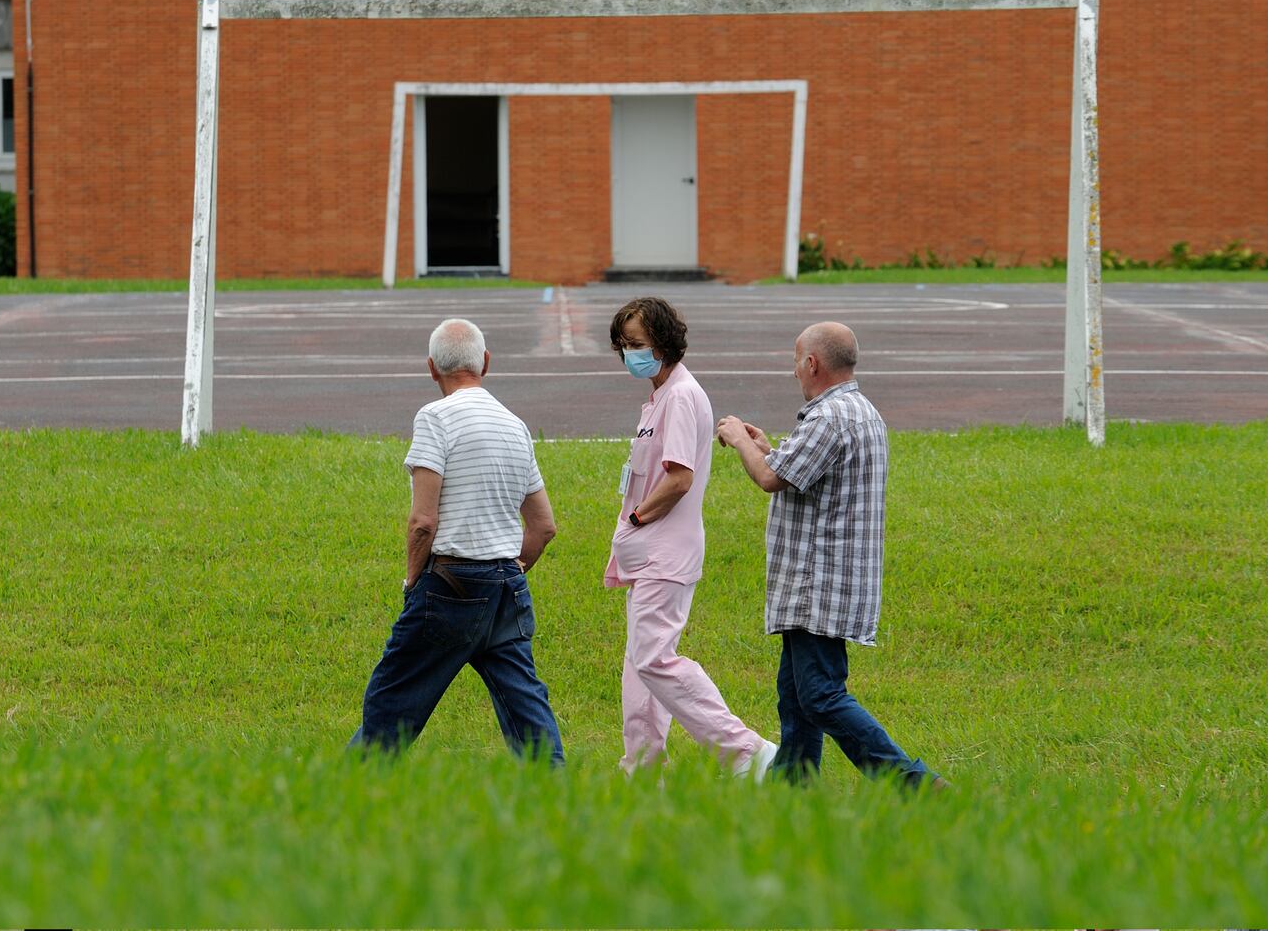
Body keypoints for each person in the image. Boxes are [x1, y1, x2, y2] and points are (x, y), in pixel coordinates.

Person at [716, 321, 947, 789]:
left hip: (816, 583)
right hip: (839, 580)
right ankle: (793, 789)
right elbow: (801, 472)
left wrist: (740, 440)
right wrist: (767, 448)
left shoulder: (827, 418)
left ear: (812, 363)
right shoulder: (861, 412)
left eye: (796, 361)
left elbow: (770, 480)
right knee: (795, 695)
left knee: (820, 695)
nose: (794, 371)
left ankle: (912, 782)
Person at [352, 318, 564, 764]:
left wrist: (413, 582)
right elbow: (544, 526)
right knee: (527, 709)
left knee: (391, 701)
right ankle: (556, 796)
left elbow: (423, 522)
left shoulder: (435, 417)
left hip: (449, 586)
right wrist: (511, 570)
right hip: (508, 587)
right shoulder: (515, 425)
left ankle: (345, 793)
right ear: (486, 362)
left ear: (432, 369)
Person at [606, 296, 777, 780]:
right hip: (648, 555)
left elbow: (678, 478)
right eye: (624, 346)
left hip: (664, 552)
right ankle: (642, 771)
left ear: (663, 342)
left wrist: (637, 518)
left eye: (637, 344)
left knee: (655, 658)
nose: (629, 355)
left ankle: (747, 753)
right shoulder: (660, 396)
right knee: (640, 668)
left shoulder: (681, 396)